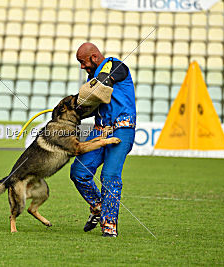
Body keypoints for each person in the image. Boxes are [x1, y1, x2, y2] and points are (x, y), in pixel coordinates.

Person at [70, 43, 136, 237]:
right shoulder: (92, 79)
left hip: (122, 129)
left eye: (83, 62)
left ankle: (109, 226)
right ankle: (99, 207)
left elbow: (103, 83)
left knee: (109, 176)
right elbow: (86, 107)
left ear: (94, 57)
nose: (82, 67)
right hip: (100, 130)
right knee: (79, 171)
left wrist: (81, 98)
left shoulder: (115, 66)